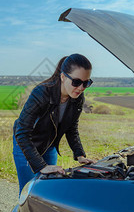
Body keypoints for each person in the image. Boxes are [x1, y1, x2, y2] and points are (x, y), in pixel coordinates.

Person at [13, 53, 95, 194]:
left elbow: (71, 128)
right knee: (29, 192)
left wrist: (79, 154)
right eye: (76, 82)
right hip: (26, 144)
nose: (81, 88)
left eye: (86, 83)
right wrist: (41, 166)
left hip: (49, 144)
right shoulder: (42, 93)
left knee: (48, 190)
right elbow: (21, 131)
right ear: (63, 77)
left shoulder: (78, 97)